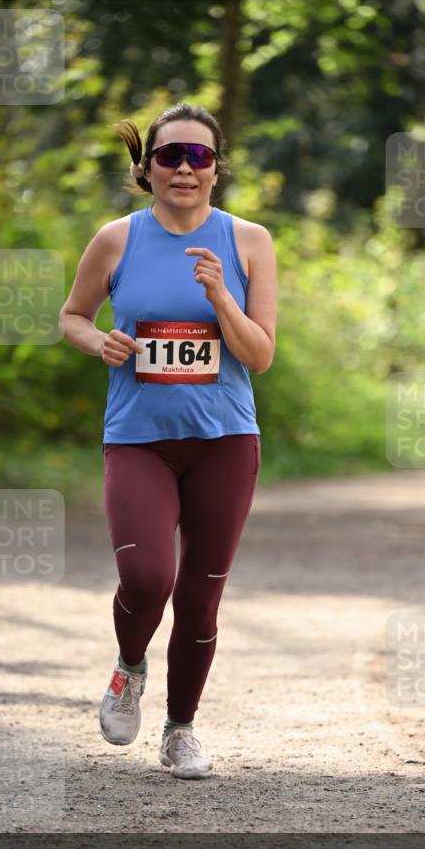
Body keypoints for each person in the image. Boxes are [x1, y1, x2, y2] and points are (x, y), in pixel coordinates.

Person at [59, 102, 277, 779]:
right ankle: (128, 669)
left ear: (215, 171)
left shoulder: (248, 241)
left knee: (200, 597)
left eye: (199, 157)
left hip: (224, 441)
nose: (184, 168)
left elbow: (261, 354)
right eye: (170, 155)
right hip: (138, 440)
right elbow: (72, 316)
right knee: (148, 576)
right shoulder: (115, 239)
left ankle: (180, 729)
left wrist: (219, 297)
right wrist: (100, 340)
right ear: (147, 168)